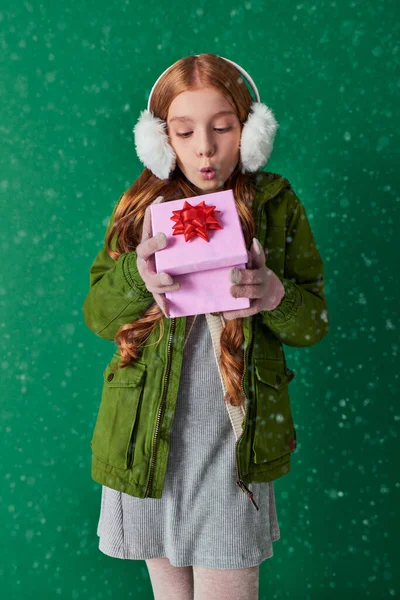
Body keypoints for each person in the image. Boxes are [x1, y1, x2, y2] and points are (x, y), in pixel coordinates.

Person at [83, 53, 329, 600]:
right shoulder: (139, 207)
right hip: (147, 440)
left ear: (249, 129)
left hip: (233, 446)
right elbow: (98, 315)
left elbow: (314, 323)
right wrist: (135, 278)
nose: (205, 148)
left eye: (222, 128)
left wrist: (275, 296)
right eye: (185, 130)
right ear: (161, 138)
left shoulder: (276, 204)